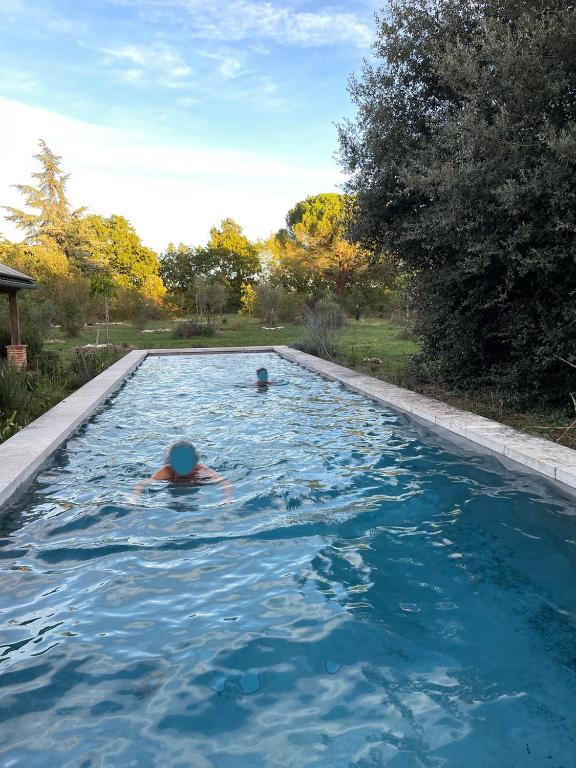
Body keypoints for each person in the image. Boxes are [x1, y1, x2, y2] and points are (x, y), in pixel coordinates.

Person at [135, 440, 232, 500]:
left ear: (195, 462)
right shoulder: (167, 471)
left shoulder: (200, 469)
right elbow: (142, 484)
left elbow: (224, 482)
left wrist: (227, 498)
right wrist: (135, 498)